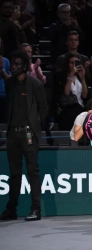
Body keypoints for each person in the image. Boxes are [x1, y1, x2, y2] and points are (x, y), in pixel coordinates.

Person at [0, 50, 48, 221]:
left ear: (26, 66)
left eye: (17, 63)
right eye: (12, 63)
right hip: (12, 133)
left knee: (32, 171)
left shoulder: (35, 84)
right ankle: (11, 209)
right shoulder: (9, 83)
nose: (13, 66)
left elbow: (44, 109)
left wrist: (35, 130)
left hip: (29, 133)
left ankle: (36, 209)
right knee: (14, 174)